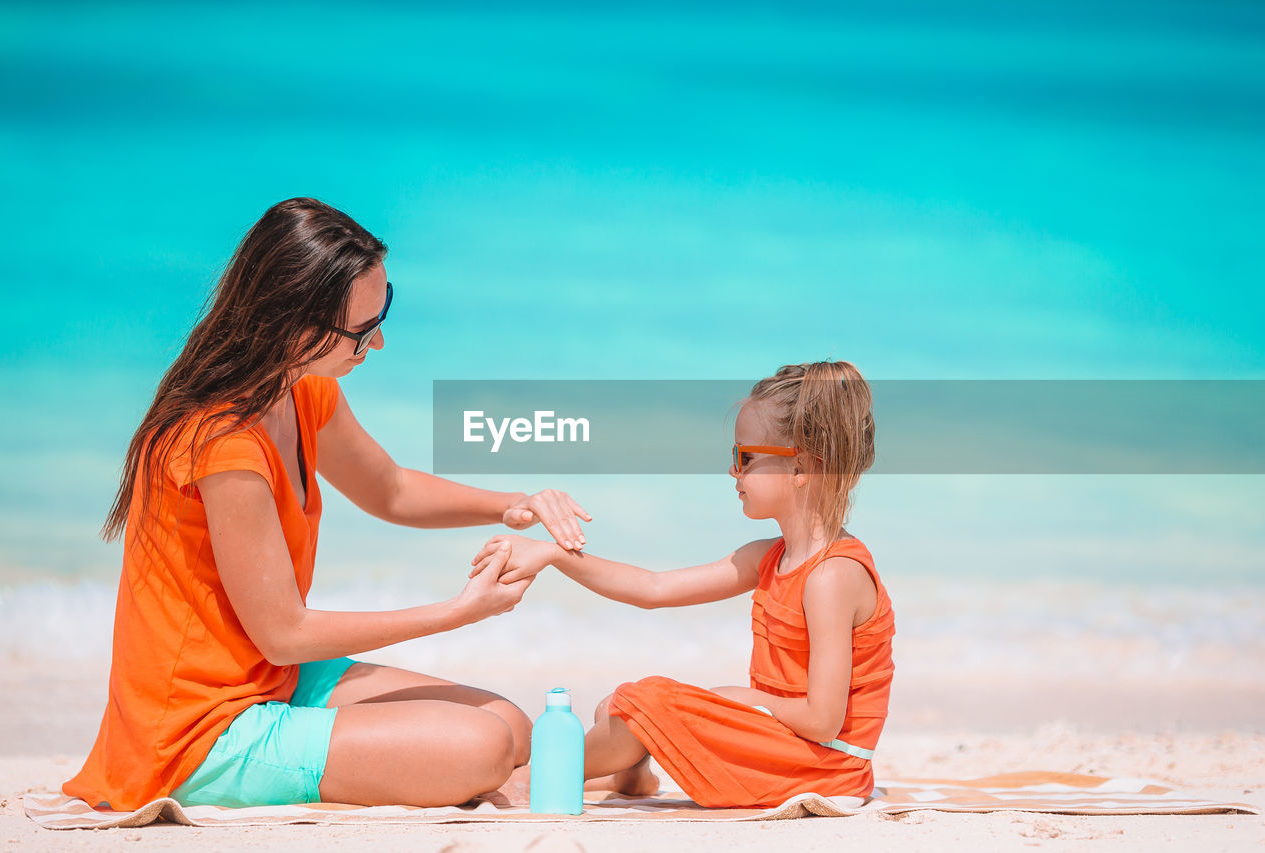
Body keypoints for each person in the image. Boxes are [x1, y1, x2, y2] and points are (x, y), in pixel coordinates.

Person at [64, 198, 591, 811]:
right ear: (293, 321)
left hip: (269, 681)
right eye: (362, 331)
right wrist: (460, 611)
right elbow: (285, 633)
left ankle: (483, 777)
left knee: (510, 722)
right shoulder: (222, 441)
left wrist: (513, 503)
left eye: (383, 308)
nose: (380, 341)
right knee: (480, 744)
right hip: (197, 731)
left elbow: (389, 488)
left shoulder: (303, 387)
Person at [475, 361, 894, 808]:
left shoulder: (831, 576)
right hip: (785, 744)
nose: (733, 472)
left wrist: (744, 699)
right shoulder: (768, 557)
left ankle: (534, 777)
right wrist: (557, 555)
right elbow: (652, 588)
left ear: (802, 467)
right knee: (619, 705)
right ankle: (629, 774)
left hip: (823, 768)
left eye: (745, 458)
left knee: (648, 703)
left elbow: (824, 719)